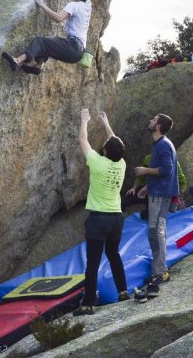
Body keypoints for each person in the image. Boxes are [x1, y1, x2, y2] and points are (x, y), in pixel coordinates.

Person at [73, 109, 129, 315]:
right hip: (116, 218)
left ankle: (88, 303)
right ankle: (123, 291)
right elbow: (116, 143)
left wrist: (84, 120)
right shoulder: (121, 164)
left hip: (98, 219)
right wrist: (106, 123)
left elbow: (82, 140)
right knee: (113, 254)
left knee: (93, 263)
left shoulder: (97, 162)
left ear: (105, 151)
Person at [2, 0, 93, 75]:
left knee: (40, 41)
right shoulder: (87, 4)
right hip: (78, 53)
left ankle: (17, 61)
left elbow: (58, 18)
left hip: (73, 46)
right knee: (49, 43)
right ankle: (38, 66)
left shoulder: (74, 6)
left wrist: (42, 4)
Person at [133, 114, 179, 300]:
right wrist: (146, 187)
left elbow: (167, 169)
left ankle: (160, 271)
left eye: (153, 120)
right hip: (156, 192)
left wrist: (144, 171)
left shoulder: (163, 145)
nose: (149, 121)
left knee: (157, 230)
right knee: (154, 230)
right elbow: (164, 172)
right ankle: (158, 268)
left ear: (158, 126)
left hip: (161, 195)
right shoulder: (161, 144)